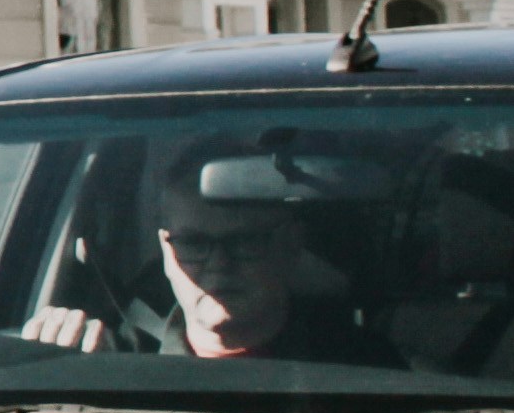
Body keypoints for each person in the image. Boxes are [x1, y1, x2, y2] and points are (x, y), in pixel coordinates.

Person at [27, 147, 372, 363]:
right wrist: (53, 356)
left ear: (290, 245)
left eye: (244, 242)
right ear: (166, 249)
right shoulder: (115, 362)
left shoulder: (361, 370)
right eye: (193, 244)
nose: (219, 264)